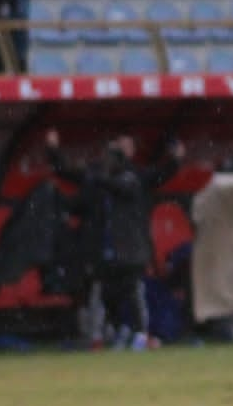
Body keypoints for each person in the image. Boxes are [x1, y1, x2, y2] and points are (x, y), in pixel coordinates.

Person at [46, 130, 156, 348]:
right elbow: (70, 183)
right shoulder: (95, 183)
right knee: (103, 296)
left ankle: (140, 333)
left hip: (129, 251)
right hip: (102, 251)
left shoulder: (131, 178)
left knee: (133, 293)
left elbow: (120, 186)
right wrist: (53, 153)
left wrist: (97, 177)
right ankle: (106, 334)